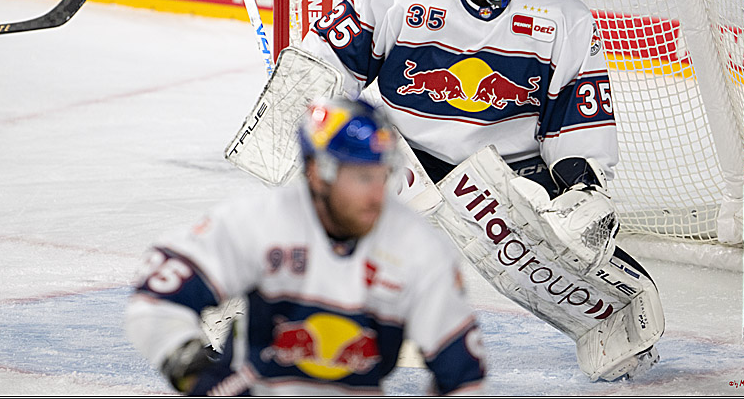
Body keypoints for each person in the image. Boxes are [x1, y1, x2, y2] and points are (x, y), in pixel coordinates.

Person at [295, 0, 663, 381]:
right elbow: (327, 65)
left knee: (565, 246)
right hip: (401, 154)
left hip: (502, 173)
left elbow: (575, 119)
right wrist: (306, 86)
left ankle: (615, 325)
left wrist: (582, 188)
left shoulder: (562, 18)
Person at [125, 96, 485, 396]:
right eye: (361, 177)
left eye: (382, 175)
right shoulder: (259, 222)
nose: (378, 194)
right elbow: (156, 296)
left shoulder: (418, 248)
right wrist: (197, 374)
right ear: (317, 172)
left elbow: (463, 376)